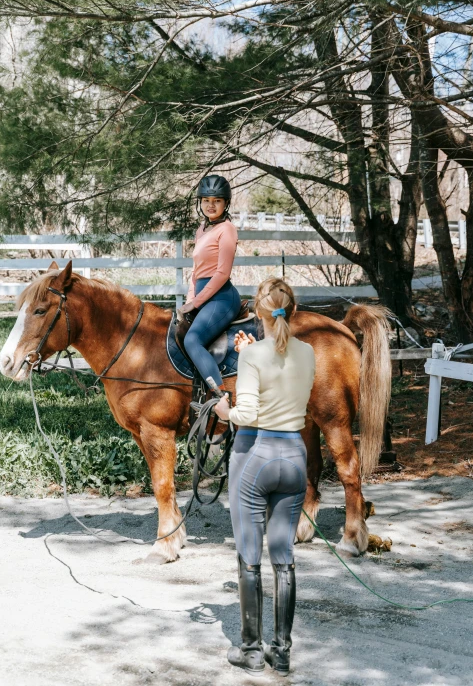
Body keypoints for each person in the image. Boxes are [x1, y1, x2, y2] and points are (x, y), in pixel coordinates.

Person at [214, 278, 315, 677]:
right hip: (294, 458)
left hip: (260, 458)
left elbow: (249, 414)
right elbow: (283, 377)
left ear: (258, 313)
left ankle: (251, 650)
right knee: (284, 558)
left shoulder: (252, 354)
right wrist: (251, 355)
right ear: (292, 310)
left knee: (249, 556)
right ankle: (283, 651)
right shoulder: (307, 351)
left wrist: (224, 412)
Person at [180, 174, 241, 394]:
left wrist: (196, 302)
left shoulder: (227, 229)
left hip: (221, 298)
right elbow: (196, 272)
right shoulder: (202, 230)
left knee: (193, 340)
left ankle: (220, 397)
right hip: (202, 295)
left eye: (217, 200)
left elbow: (222, 273)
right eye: (206, 200)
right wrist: (189, 301)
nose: (211, 205)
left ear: (226, 203)